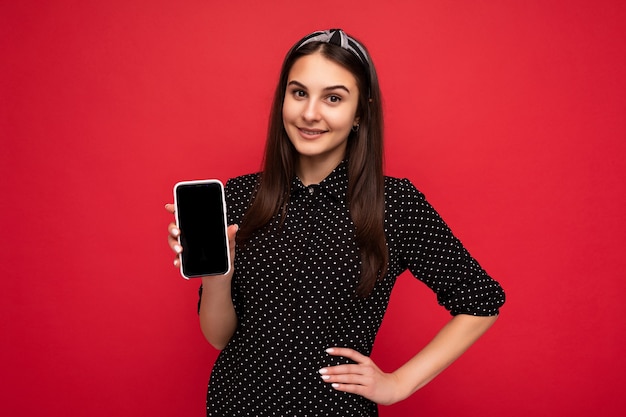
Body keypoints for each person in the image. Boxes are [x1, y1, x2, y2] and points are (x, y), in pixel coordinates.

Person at [166, 28, 505, 417]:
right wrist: (217, 275)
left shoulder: (393, 204)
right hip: (235, 404)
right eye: (299, 93)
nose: (310, 113)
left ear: (360, 111)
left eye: (333, 98)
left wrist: (398, 384)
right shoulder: (241, 196)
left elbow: (481, 301)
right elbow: (219, 337)